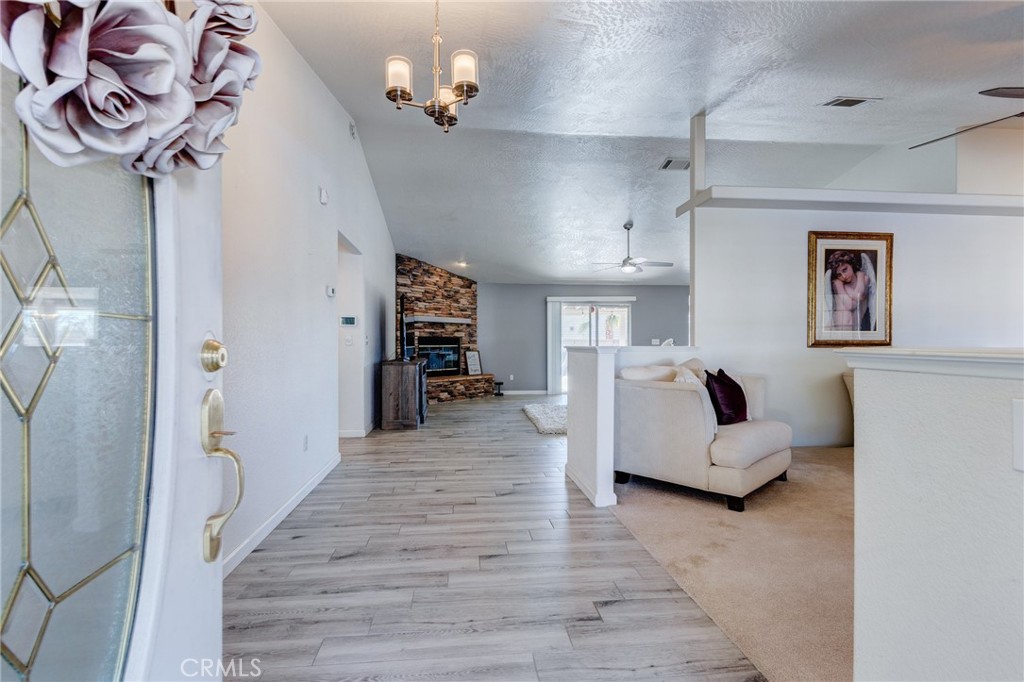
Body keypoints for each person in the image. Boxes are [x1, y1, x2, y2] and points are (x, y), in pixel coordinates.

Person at [826, 250, 871, 331]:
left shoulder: (865, 279)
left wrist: (860, 276)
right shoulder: (839, 284)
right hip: (836, 327)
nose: (843, 276)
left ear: (850, 264)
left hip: (854, 329)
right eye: (839, 274)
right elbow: (850, 305)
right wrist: (860, 276)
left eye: (844, 270)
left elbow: (860, 296)